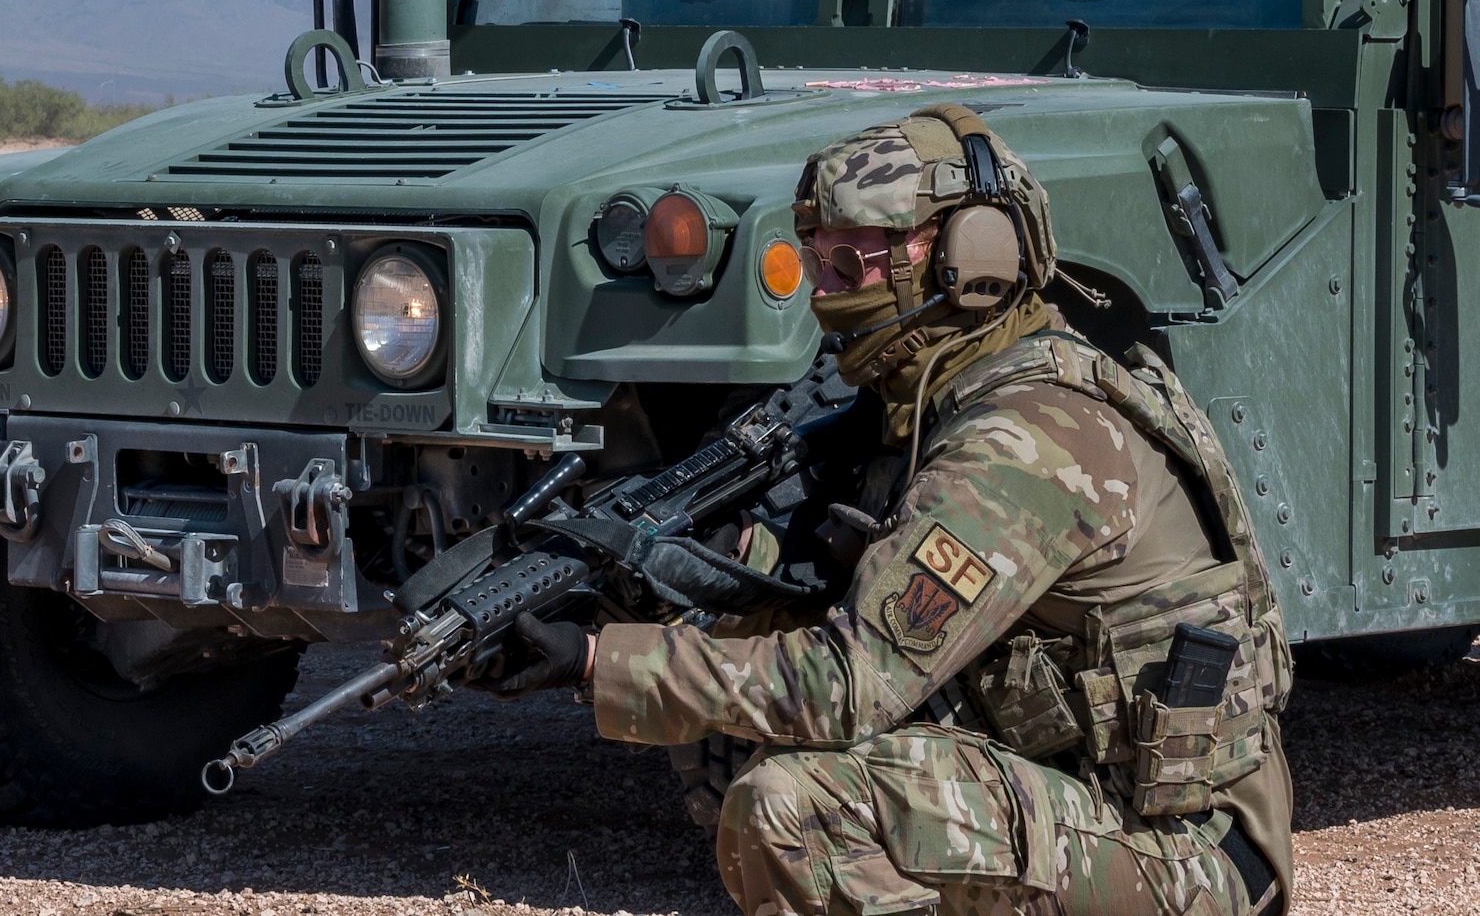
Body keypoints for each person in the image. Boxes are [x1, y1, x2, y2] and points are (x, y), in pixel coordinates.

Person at [473, 103, 1293, 916]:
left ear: (963, 258)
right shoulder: (942, 397)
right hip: (1079, 792)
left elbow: (845, 686)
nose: (825, 298)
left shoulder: (1028, 441)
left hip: (1186, 857)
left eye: (848, 267)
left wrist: (591, 662)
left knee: (791, 807)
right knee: (736, 671)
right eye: (817, 265)